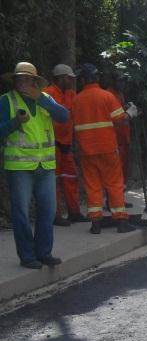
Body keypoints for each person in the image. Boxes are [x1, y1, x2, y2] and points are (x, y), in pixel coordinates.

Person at [0, 62, 68, 269]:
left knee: (48, 211)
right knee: (21, 213)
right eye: (19, 78)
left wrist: (40, 98)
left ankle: (44, 253)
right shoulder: (6, 101)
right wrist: (15, 122)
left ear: (35, 81)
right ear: (15, 81)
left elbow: (64, 116)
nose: (23, 82)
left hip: (45, 166)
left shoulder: (45, 98)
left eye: (27, 79)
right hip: (19, 167)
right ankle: (28, 256)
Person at [72, 63, 135, 234]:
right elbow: (120, 119)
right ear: (97, 78)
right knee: (114, 184)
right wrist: (131, 113)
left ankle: (96, 224)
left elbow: (72, 125)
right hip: (107, 149)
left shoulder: (76, 100)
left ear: (83, 80)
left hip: (87, 151)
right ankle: (121, 221)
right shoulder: (106, 96)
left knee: (93, 186)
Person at [43, 64, 88, 225]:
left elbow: (75, 116)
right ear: (61, 78)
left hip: (66, 144)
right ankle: (55, 215)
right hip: (53, 145)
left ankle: (74, 212)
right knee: (53, 181)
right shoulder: (47, 94)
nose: (71, 81)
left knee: (70, 178)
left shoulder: (71, 94)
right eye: (69, 78)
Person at [104, 70, 132, 191]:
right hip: (114, 138)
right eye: (120, 81)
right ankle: (113, 198)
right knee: (115, 170)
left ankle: (120, 195)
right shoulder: (108, 94)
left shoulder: (120, 94)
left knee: (122, 168)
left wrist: (126, 107)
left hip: (123, 136)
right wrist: (127, 113)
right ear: (113, 81)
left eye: (123, 81)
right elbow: (113, 116)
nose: (122, 84)